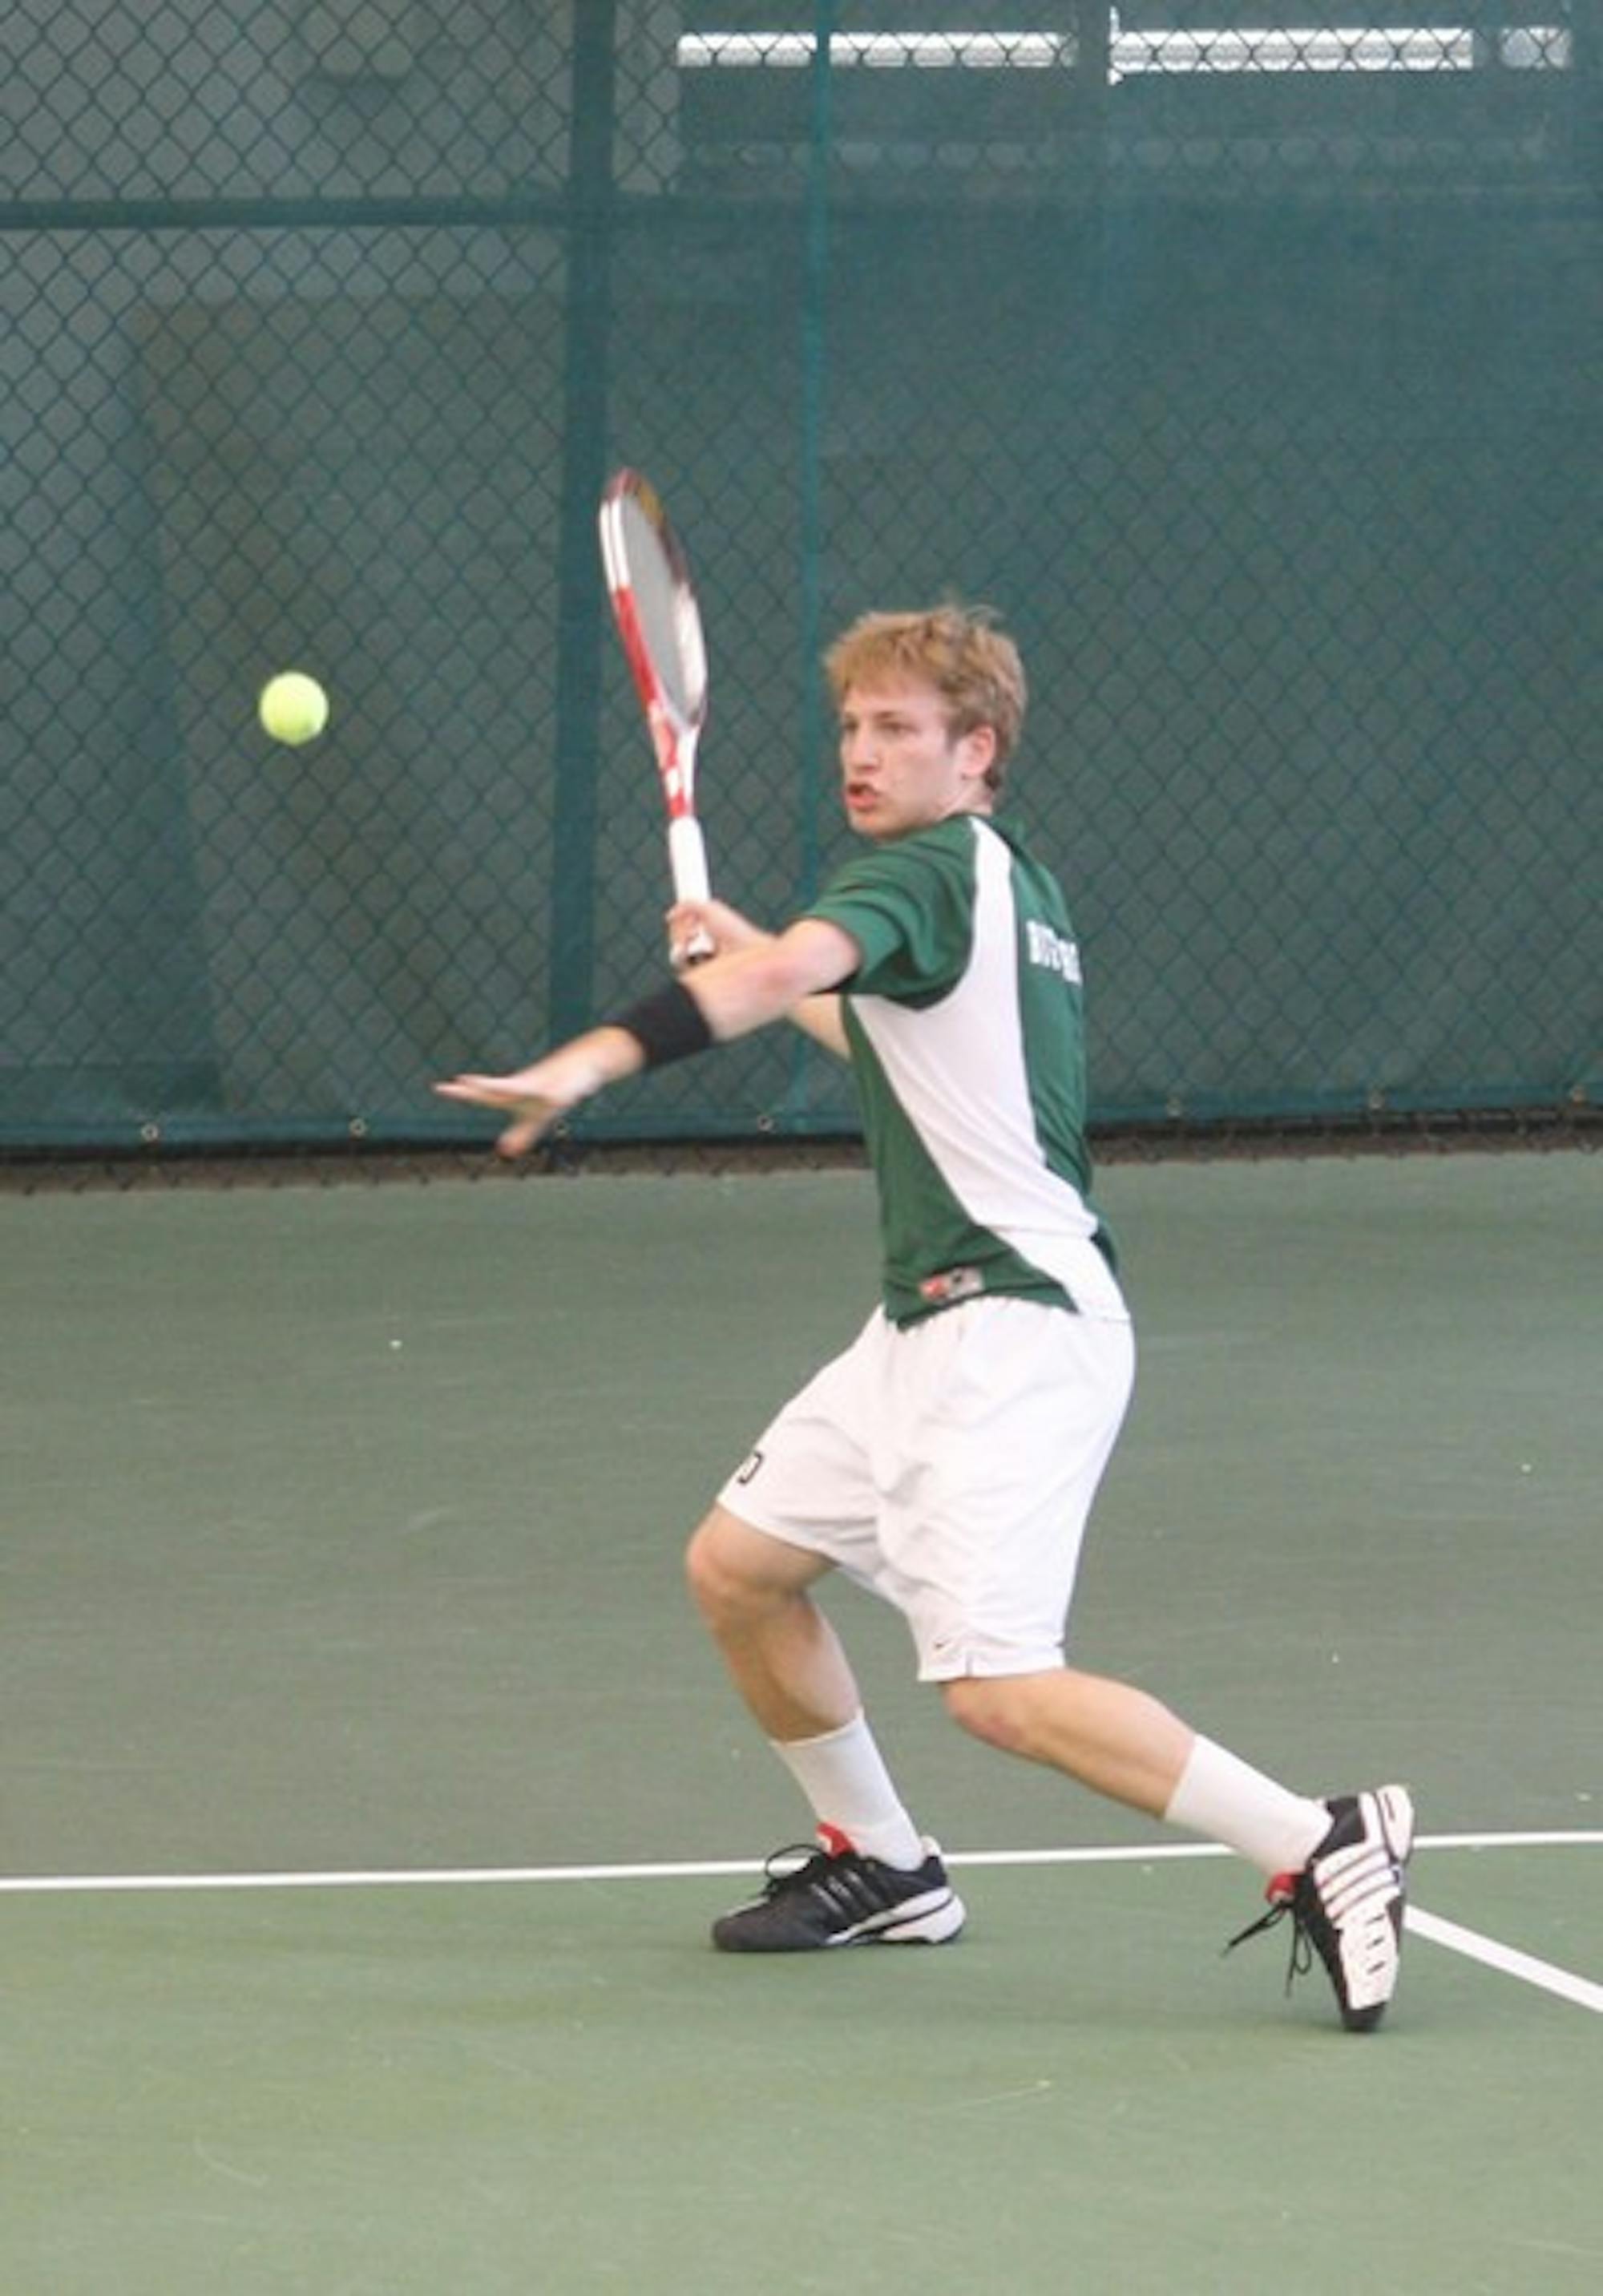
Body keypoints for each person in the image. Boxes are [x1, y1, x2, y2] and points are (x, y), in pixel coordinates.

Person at [437, 603, 1414, 2031]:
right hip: (923, 1329)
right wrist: (772, 958)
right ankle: (889, 1866)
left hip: (1011, 1332)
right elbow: (891, 1045)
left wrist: (592, 1059)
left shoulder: (922, 873)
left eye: (898, 727)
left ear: (977, 751)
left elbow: (782, 983)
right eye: (850, 725)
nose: (863, 751)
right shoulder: (1010, 889)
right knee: (739, 1569)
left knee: (1001, 1692)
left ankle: (1318, 1842)